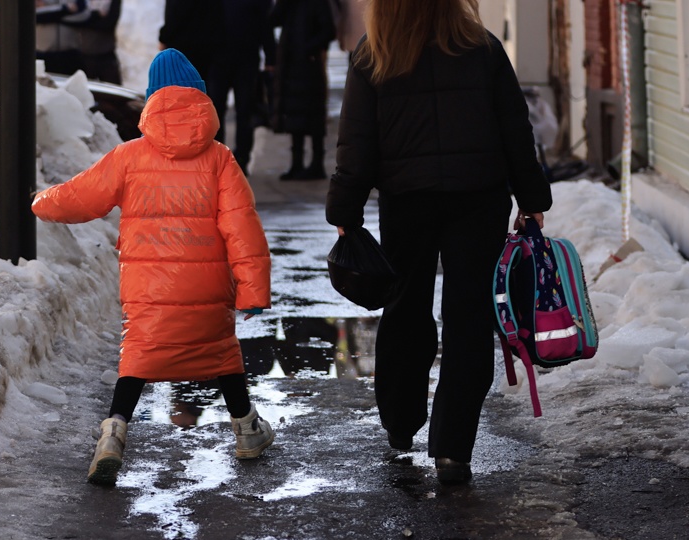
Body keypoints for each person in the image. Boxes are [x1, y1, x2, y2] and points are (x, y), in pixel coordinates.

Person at [325, 0, 552, 485]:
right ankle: (453, 449)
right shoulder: (483, 48)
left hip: (407, 202)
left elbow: (356, 143)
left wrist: (344, 210)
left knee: (405, 307)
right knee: (469, 317)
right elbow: (516, 130)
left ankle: (402, 423)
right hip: (480, 200)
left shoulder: (374, 54)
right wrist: (531, 197)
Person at [31, 48, 276, 487]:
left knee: (138, 358)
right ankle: (247, 430)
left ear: (152, 100)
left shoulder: (130, 156)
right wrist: (253, 290)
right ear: (200, 97)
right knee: (221, 351)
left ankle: (113, 434)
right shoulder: (219, 158)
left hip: (148, 289)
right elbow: (243, 228)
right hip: (207, 287)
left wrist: (40, 201)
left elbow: (81, 196)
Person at [269, 0, 336, 181]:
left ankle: (316, 163)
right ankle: (297, 163)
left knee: (312, 115)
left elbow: (328, 30)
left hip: (309, 65)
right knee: (293, 114)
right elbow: (273, 19)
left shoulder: (317, 4)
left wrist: (308, 49)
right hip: (291, 65)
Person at [207, 0, 275, 175]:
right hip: (227, 59)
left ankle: (238, 160)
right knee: (223, 112)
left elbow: (265, 23)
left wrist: (270, 57)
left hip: (236, 60)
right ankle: (224, 159)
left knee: (240, 112)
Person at [35, 0, 123, 86]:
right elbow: (31, 14)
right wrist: (65, 10)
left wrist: (52, 15)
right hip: (42, 54)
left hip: (72, 55)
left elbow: (84, 15)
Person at [158, 0, 221, 81]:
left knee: (181, 85)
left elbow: (177, 12)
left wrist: (164, 37)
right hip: (206, 43)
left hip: (184, 45)